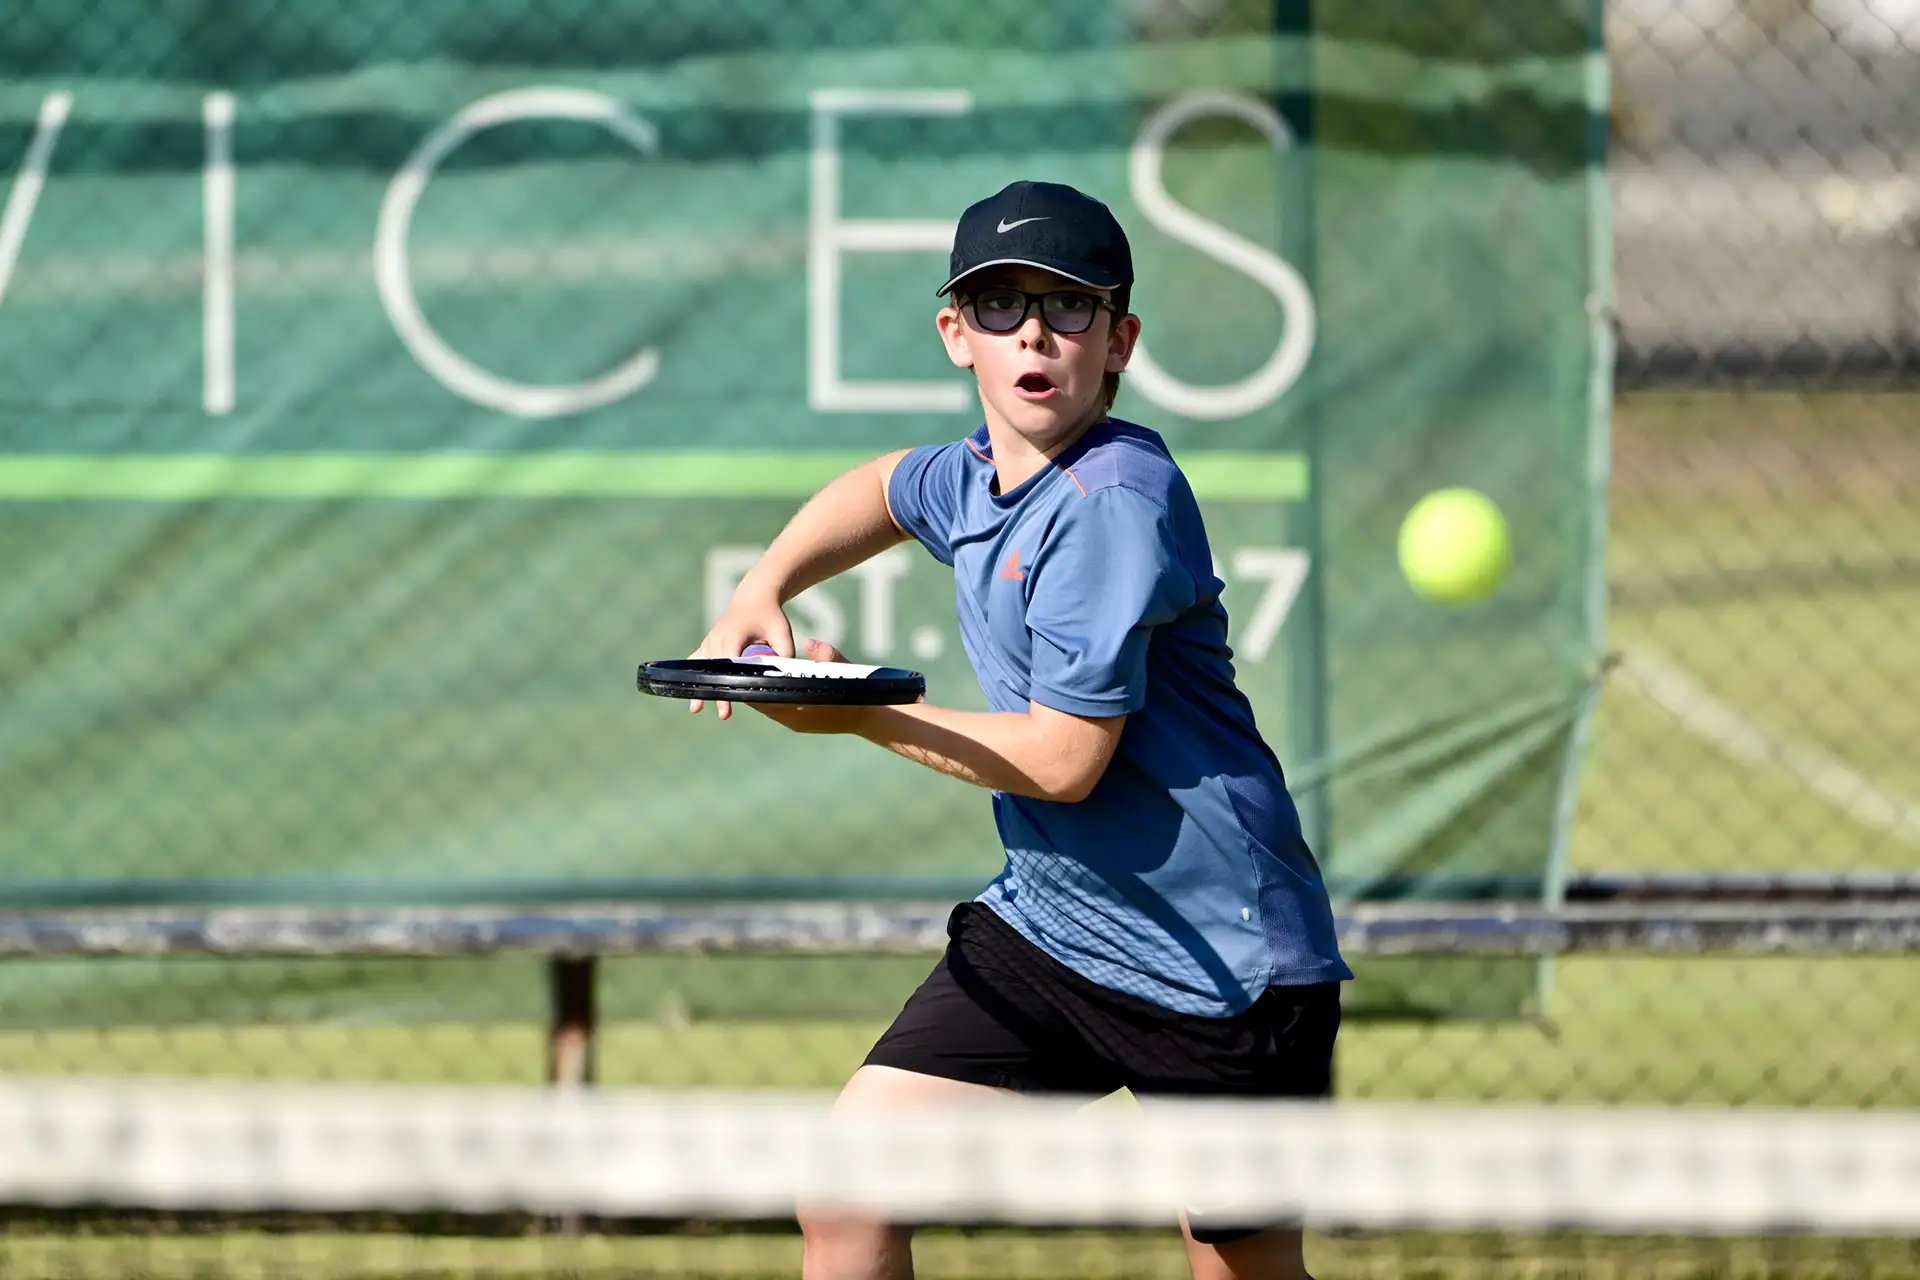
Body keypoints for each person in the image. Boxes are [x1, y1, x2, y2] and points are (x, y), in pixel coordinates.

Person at [690, 180, 1352, 1280]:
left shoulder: (1113, 502)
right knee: (848, 1191)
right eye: (1000, 305)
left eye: (1069, 305)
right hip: (1057, 930)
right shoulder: (975, 477)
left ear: (1119, 340)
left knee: (1241, 1272)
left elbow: (1065, 759)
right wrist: (764, 585)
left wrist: (859, 714)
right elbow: (886, 487)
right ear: (958, 335)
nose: (1033, 331)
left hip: (1225, 961)